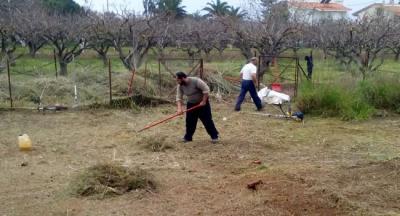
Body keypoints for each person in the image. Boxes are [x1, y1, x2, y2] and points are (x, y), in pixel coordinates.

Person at [175, 72, 219, 143]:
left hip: (202, 104)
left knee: (207, 120)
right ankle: (188, 137)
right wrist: (179, 109)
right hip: (191, 104)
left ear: (183, 78)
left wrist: (204, 101)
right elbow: (178, 97)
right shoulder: (180, 85)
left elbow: (206, 90)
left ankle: (214, 136)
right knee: (189, 122)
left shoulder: (196, 81)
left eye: (178, 80)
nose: (177, 82)